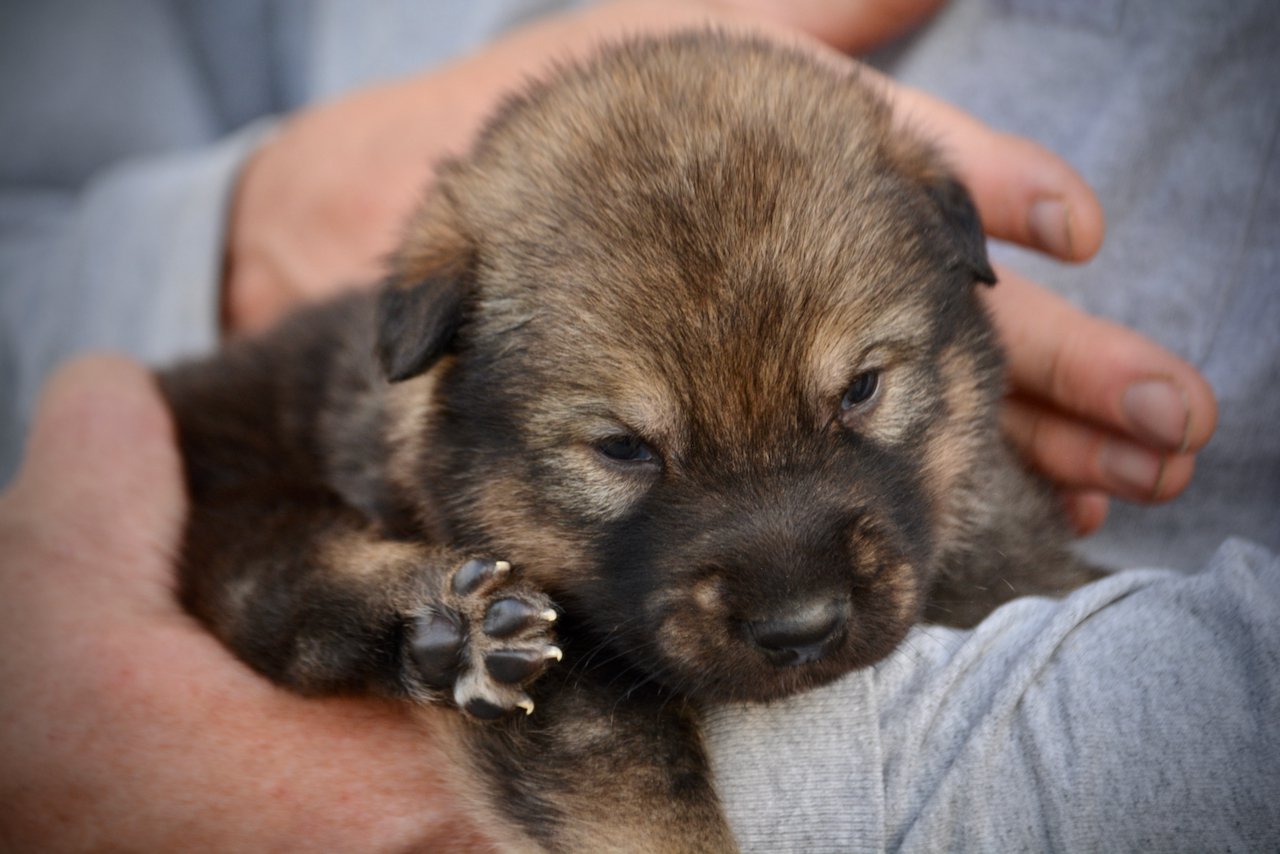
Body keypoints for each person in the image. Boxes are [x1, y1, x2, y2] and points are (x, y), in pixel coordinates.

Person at [0, 0, 1274, 851]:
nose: (793, 601)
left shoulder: (899, 246)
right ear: (444, 388)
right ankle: (387, 607)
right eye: (624, 451)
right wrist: (216, 226)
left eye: (856, 396)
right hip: (261, 499)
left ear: (953, 275)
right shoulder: (416, 360)